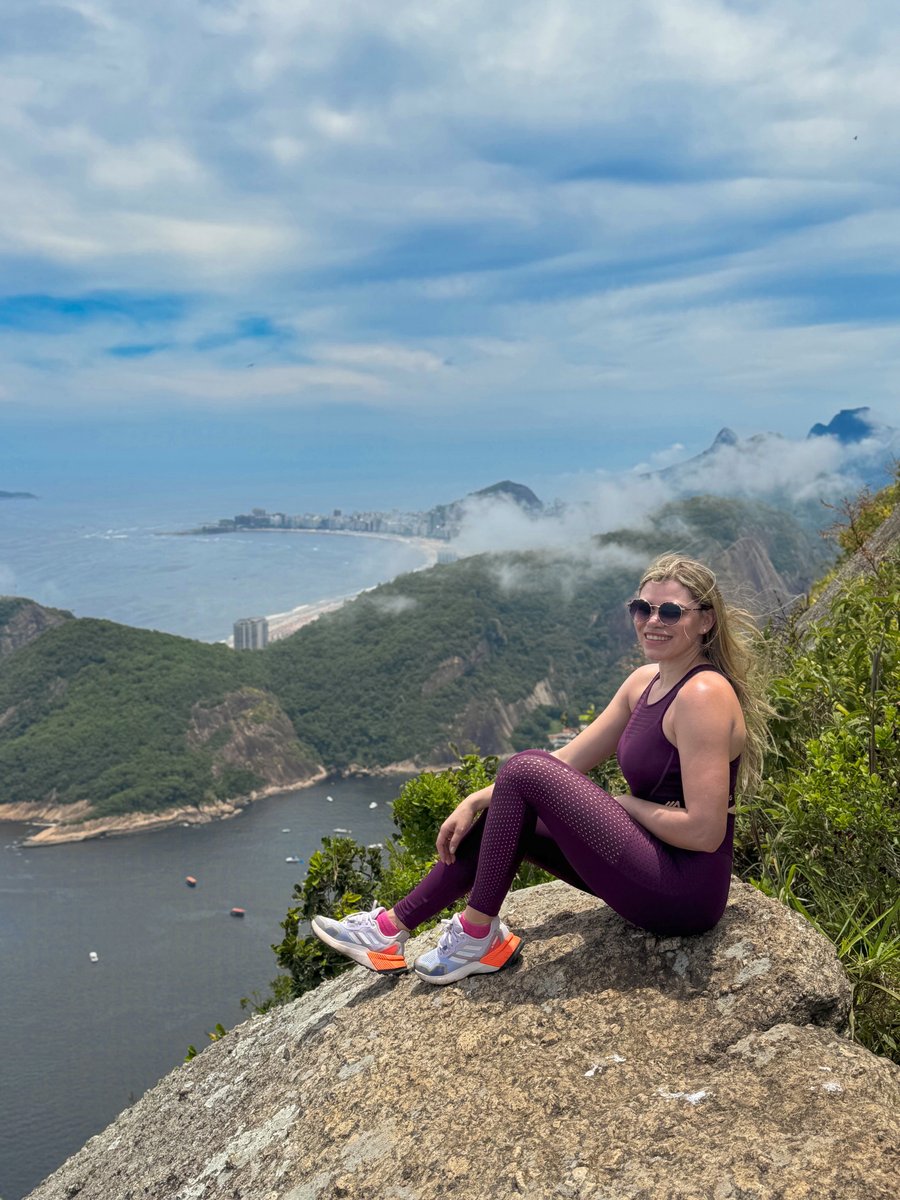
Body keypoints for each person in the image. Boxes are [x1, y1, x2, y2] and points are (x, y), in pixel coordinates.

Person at [312, 553, 769, 986]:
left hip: (682, 893)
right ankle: (391, 930)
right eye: (642, 608)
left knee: (525, 768)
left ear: (705, 620)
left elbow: (706, 833)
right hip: (646, 863)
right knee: (513, 807)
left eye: (671, 612)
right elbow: (566, 761)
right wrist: (475, 799)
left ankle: (476, 936)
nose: (652, 621)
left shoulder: (703, 695)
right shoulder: (642, 683)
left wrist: (625, 804)